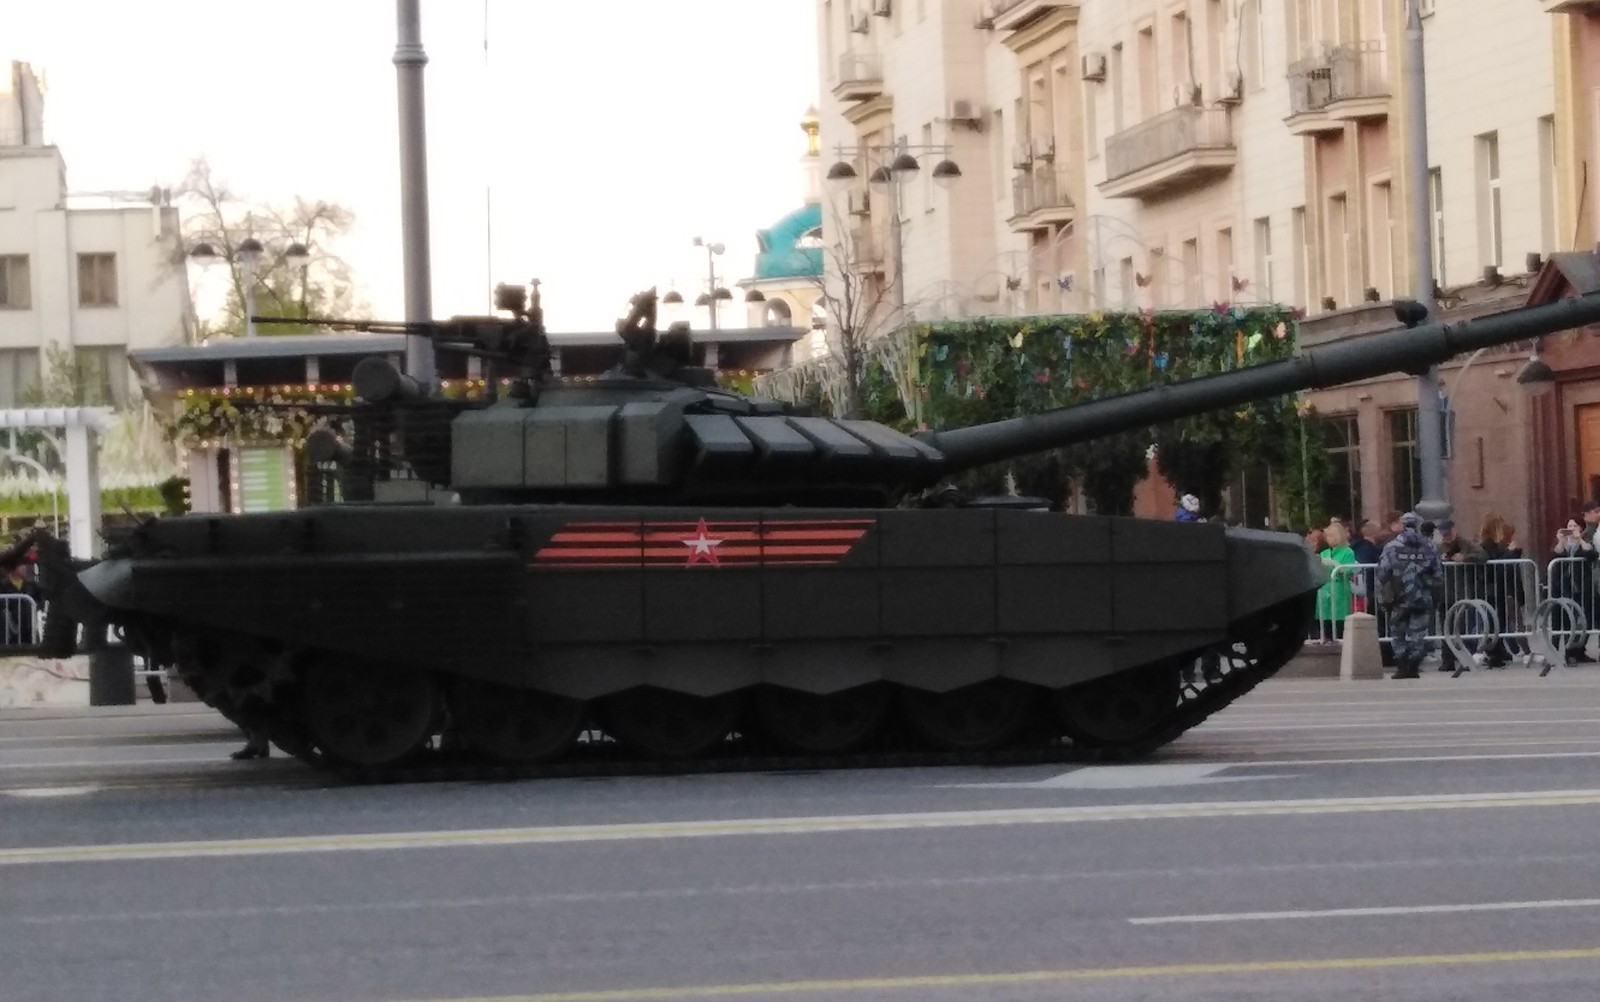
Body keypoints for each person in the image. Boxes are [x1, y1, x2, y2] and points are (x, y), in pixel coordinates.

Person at [1376, 511, 1445, 680]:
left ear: (1402, 525)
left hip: (1398, 597)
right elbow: (1438, 575)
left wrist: (1382, 597)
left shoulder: (1392, 546)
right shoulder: (1429, 547)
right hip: (1422, 596)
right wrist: (1434, 595)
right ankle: (1413, 666)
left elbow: (1382, 573)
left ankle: (1402, 666)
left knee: (1397, 633)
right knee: (1418, 633)